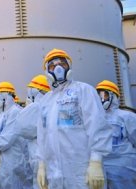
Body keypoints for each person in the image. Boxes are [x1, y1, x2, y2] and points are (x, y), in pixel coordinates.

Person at [36, 48, 112, 189]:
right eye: (52, 66)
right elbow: (42, 136)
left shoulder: (83, 90)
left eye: (62, 64)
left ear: (69, 66)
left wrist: (96, 161)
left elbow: (97, 126)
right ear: (47, 71)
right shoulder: (46, 101)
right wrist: (42, 165)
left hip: (81, 172)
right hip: (55, 174)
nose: (58, 68)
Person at [96, 80, 136, 189]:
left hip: (124, 170)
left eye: (104, 94)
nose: (101, 98)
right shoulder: (94, 119)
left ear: (113, 96)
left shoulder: (127, 117)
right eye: (98, 95)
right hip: (100, 170)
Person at [0, 81, 31, 189]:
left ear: (5, 96)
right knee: (4, 183)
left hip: (15, 159)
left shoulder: (15, 112)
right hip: (5, 158)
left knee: (15, 184)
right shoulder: (3, 115)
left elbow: (8, 137)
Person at [15, 74, 50, 189]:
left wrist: (29, 109)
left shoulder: (38, 108)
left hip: (42, 159)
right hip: (37, 158)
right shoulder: (42, 107)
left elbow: (21, 127)